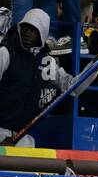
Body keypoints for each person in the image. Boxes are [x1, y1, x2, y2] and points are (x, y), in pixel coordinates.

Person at [0, 10, 91, 145]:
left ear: (42, 33)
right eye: (25, 28)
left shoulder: (46, 61)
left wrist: (96, 64)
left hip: (22, 137)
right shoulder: (5, 53)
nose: (27, 33)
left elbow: (72, 87)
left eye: (33, 30)